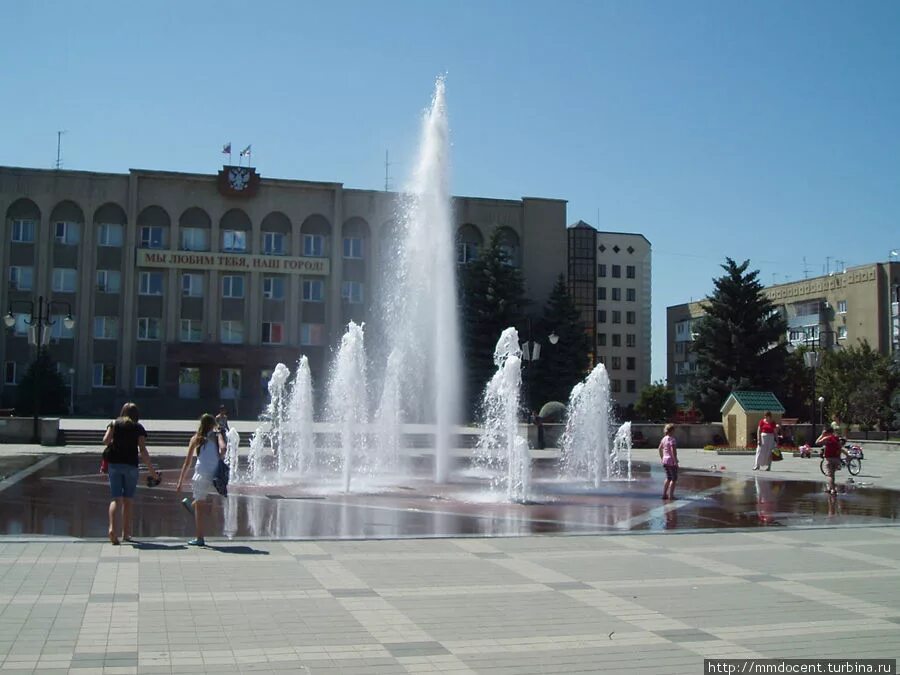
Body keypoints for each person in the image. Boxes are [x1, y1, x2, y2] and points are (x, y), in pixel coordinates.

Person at [102, 402, 160, 545]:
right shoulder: (138, 428)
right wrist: (152, 472)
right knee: (128, 500)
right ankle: (126, 534)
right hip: (130, 466)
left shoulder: (114, 423)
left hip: (114, 464)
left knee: (116, 499)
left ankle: (111, 529)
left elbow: (105, 440)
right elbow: (143, 451)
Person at [176, 413, 226, 546]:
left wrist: (180, 482)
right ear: (213, 425)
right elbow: (224, 448)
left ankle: (199, 538)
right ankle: (191, 505)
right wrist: (219, 459)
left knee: (199, 504)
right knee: (201, 502)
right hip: (215, 474)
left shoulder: (196, 438)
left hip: (201, 472)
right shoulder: (217, 436)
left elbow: (187, 462)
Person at [816, 425, 847, 495]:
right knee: (832, 475)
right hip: (836, 459)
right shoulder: (836, 438)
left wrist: (821, 435)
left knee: (830, 476)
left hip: (829, 459)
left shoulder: (827, 438)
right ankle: (830, 488)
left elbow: (817, 442)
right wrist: (846, 455)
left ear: (826, 432)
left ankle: (833, 489)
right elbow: (840, 448)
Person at [658, 423, 678, 500]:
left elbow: (659, 448)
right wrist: (675, 461)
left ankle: (664, 494)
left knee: (668, 477)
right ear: (672, 431)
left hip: (665, 461)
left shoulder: (664, 439)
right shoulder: (672, 439)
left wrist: (662, 457)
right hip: (671, 461)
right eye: (674, 430)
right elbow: (673, 451)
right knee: (673, 479)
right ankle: (671, 495)